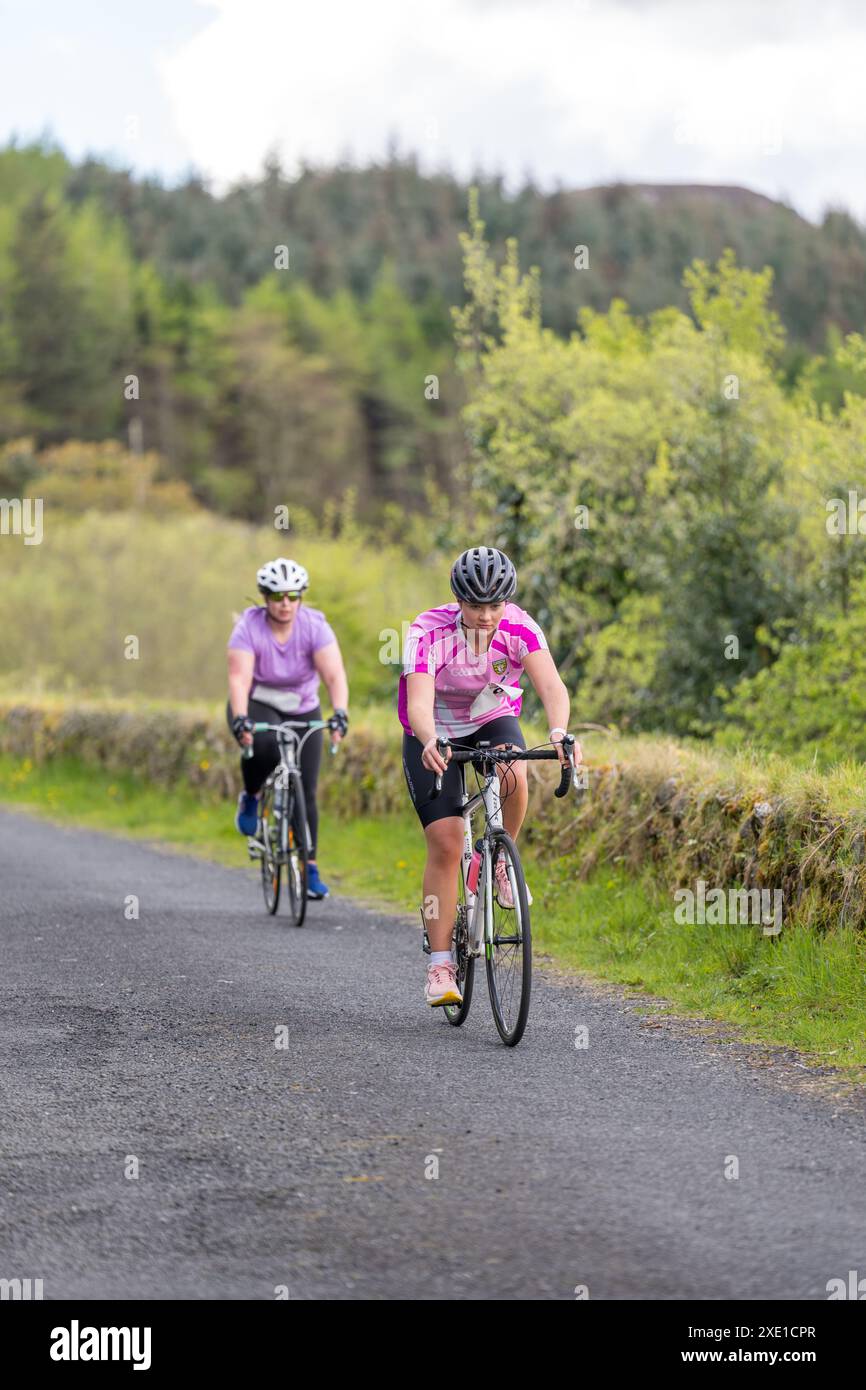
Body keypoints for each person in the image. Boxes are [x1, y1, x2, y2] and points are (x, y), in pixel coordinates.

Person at [399, 545, 580, 1007]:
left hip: (491, 718)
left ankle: (498, 859)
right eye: (476, 606)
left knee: (515, 768)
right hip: (434, 729)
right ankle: (441, 964)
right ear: (458, 601)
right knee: (445, 840)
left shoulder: (520, 626)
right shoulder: (426, 631)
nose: (485, 615)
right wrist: (428, 739)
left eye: (494, 605)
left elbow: (552, 685)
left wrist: (559, 732)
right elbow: (418, 702)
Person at [226, 557, 349, 900]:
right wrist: (240, 718)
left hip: (302, 704)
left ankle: (309, 867)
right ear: (264, 597)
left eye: (293, 597)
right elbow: (238, 678)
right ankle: (251, 797)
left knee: (306, 788)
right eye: (277, 597)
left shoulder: (314, 626)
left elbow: (335, 675)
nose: (285, 604)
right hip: (258, 701)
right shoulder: (248, 628)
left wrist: (340, 713)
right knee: (263, 745)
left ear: (301, 598)